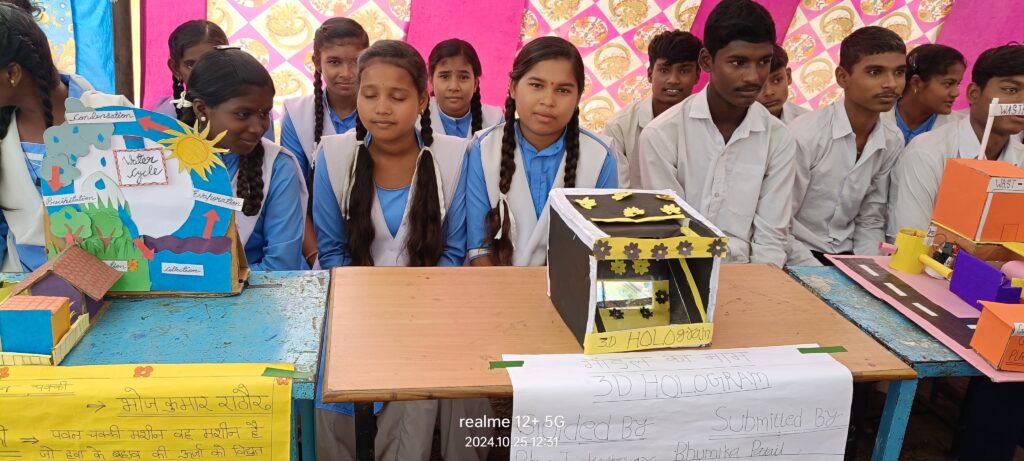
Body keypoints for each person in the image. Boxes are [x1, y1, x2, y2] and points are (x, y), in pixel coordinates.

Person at [312, 40, 471, 460]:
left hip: (428, 305)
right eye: (370, 95)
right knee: (331, 393)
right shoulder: (333, 155)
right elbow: (331, 251)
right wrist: (366, 310)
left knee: (415, 392)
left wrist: (412, 309)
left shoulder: (455, 156)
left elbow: (453, 252)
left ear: (422, 100)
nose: (381, 108)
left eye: (397, 97)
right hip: (351, 304)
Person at [638, 0, 795, 268]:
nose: (753, 77)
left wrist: (760, 287)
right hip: (680, 272)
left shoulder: (779, 139)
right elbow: (668, 233)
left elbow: (771, 240)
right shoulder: (661, 135)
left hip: (752, 275)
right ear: (707, 61)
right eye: (738, 62)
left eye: (764, 62)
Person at [464, 36, 619, 267]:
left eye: (563, 90)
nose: (548, 100)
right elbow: (479, 249)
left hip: (573, 285)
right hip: (496, 283)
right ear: (513, 87)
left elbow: (603, 247)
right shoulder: (483, 149)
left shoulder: (600, 156)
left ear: (578, 97)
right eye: (537, 85)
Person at [0, 3, 130, 272]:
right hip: (21, 287)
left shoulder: (116, 116)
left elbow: (152, 212)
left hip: (119, 283)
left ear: (12, 73)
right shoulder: (4, 136)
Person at [787, 26, 907, 266]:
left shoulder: (892, 139)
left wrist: (870, 268)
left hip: (847, 256)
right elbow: (778, 222)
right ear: (843, 77)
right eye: (875, 72)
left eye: (899, 72)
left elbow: (871, 218)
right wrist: (818, 273)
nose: (891, 84)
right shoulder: (805, 134)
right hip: (795, 253)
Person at [179, 47, 307, 271]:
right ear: (201, 109)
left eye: (264, 113)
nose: (258, 128)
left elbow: (282, 265)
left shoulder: (278, 167)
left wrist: (206, 279)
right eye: (243, 114)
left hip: (258, 289)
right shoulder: (164, 160)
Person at [888, 44, 1024, 236]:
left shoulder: (1020, 159)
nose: (1022, 102)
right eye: (1010, 90)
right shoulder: (927, 153)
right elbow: (912, 238)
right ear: (973, 93)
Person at [604, 30, 701, 187]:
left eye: (684, 71)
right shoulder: (619, 126)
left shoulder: (711, 124)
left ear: (697, 76)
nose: (673, 80)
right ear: (650, 74)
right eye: (664, 70)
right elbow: (619, 189)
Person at [281, 18, 369, 182]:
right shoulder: (297, 115)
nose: (346, 73)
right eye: (334, 62)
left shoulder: (382, 112)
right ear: (317, 63)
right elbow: (295, 184)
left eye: (356, 61)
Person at [882, 43, 966, 144]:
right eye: (948, 83)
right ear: (916, 83)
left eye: (958, 84)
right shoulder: (875, 116)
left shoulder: (960, 128)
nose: (956, 93)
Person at [426, 38, 503, 138]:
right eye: (444, 77)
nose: (454, 87)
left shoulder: (495, 120)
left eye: (463, 77)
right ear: (431, 81)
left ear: (476, 83)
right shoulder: (416, 118)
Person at [154, 20, 228, 120]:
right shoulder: (163, 119)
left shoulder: (245, 106)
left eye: (212, 63)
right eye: (191, 65)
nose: (203, 73)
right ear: (175, 69)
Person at [757, 44, 808, 124]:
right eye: (758, 85)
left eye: (776, 80)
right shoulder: (736, 124)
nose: (769, 92)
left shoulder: (807, 121)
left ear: (788, 76)